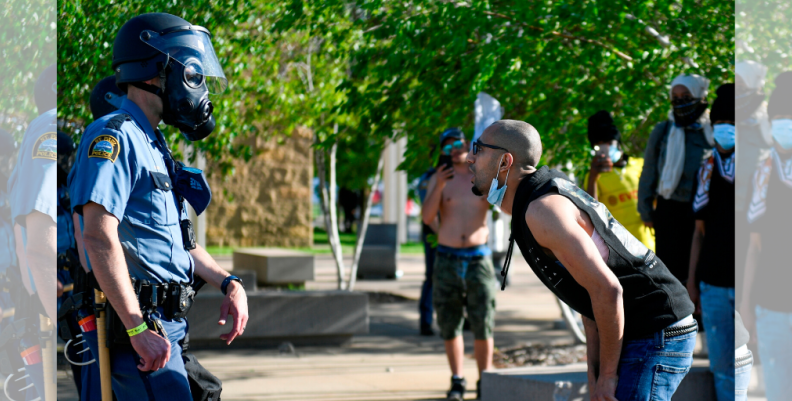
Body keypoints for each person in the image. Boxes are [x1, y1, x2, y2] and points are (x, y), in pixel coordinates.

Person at [67, 13, 248, 399]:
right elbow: (98, 235)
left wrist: (229, 283)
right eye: (192, 72)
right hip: (139, 338)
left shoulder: (154, 144)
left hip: (168, 332)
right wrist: (135, 328)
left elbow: (178, 242)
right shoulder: (113, 136)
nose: (198, 85)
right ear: (156, 72)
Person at [468, 120, 696, 401]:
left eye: (477, 149)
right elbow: (589, 300)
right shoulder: (534, 202)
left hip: (656, 330)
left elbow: (608, 290)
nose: (469, 158)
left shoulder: (542, 211)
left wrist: (608, 376)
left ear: (505, 161)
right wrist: (596, 374)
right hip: (641, 329)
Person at [421, 127, 495, 401]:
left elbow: (501, 207)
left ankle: (486, 380)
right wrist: (439, 185)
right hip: (448, 258)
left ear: (469, 144)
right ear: (443, 150)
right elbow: (428, 217)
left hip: (478, 258)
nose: (455, 149)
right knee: (450, 322)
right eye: (448, 146)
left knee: (482, 321)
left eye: (459, 144)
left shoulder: (482, 176)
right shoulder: (440, 179)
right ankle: (457, 379)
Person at [740, 71, 792, 401]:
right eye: (779, 119)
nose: (784, 126)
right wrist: (747, 305)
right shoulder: (764, 171)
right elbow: (754, 248)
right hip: (772, 308)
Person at [686, 84, 736, 401]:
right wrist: (692, 280)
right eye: (719, 124)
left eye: (730, 124)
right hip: (713, 283)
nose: (724, 131)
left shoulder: (763, 166)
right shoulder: (706, 169)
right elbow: (698, 232)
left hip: (756, 285)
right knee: (723, 366)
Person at [638, 74, 714, 283]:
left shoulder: (711, 133)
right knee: (671, 275)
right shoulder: (663, 131)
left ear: (700, 96)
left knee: (699, 272)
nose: (680, 101)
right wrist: (645, 210)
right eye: (675, 96)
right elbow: (649, 171)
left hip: (701, 212)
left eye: (686, 96)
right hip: (669, 211)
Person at [583, 110, 654, 251]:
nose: (607, 149)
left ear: (618, 142)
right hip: (619, 250)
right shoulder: (593, 177)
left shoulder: (641, 165)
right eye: (599, 145)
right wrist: (593, 177)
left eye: (609, 143)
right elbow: (591, 213)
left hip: (650, 245)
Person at [734, 61, 771, 299]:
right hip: (733, 200)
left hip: (758, 201)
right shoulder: (732, 109)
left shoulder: (765, 112)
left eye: (740, 80)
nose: (737, 85)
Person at [417, 165, 437, 336]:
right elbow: (428, 213)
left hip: (457, 239)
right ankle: (426, 321)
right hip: (434, 236)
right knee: (432, 277)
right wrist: (443, 234)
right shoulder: (429, 177)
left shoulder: (466, 173)